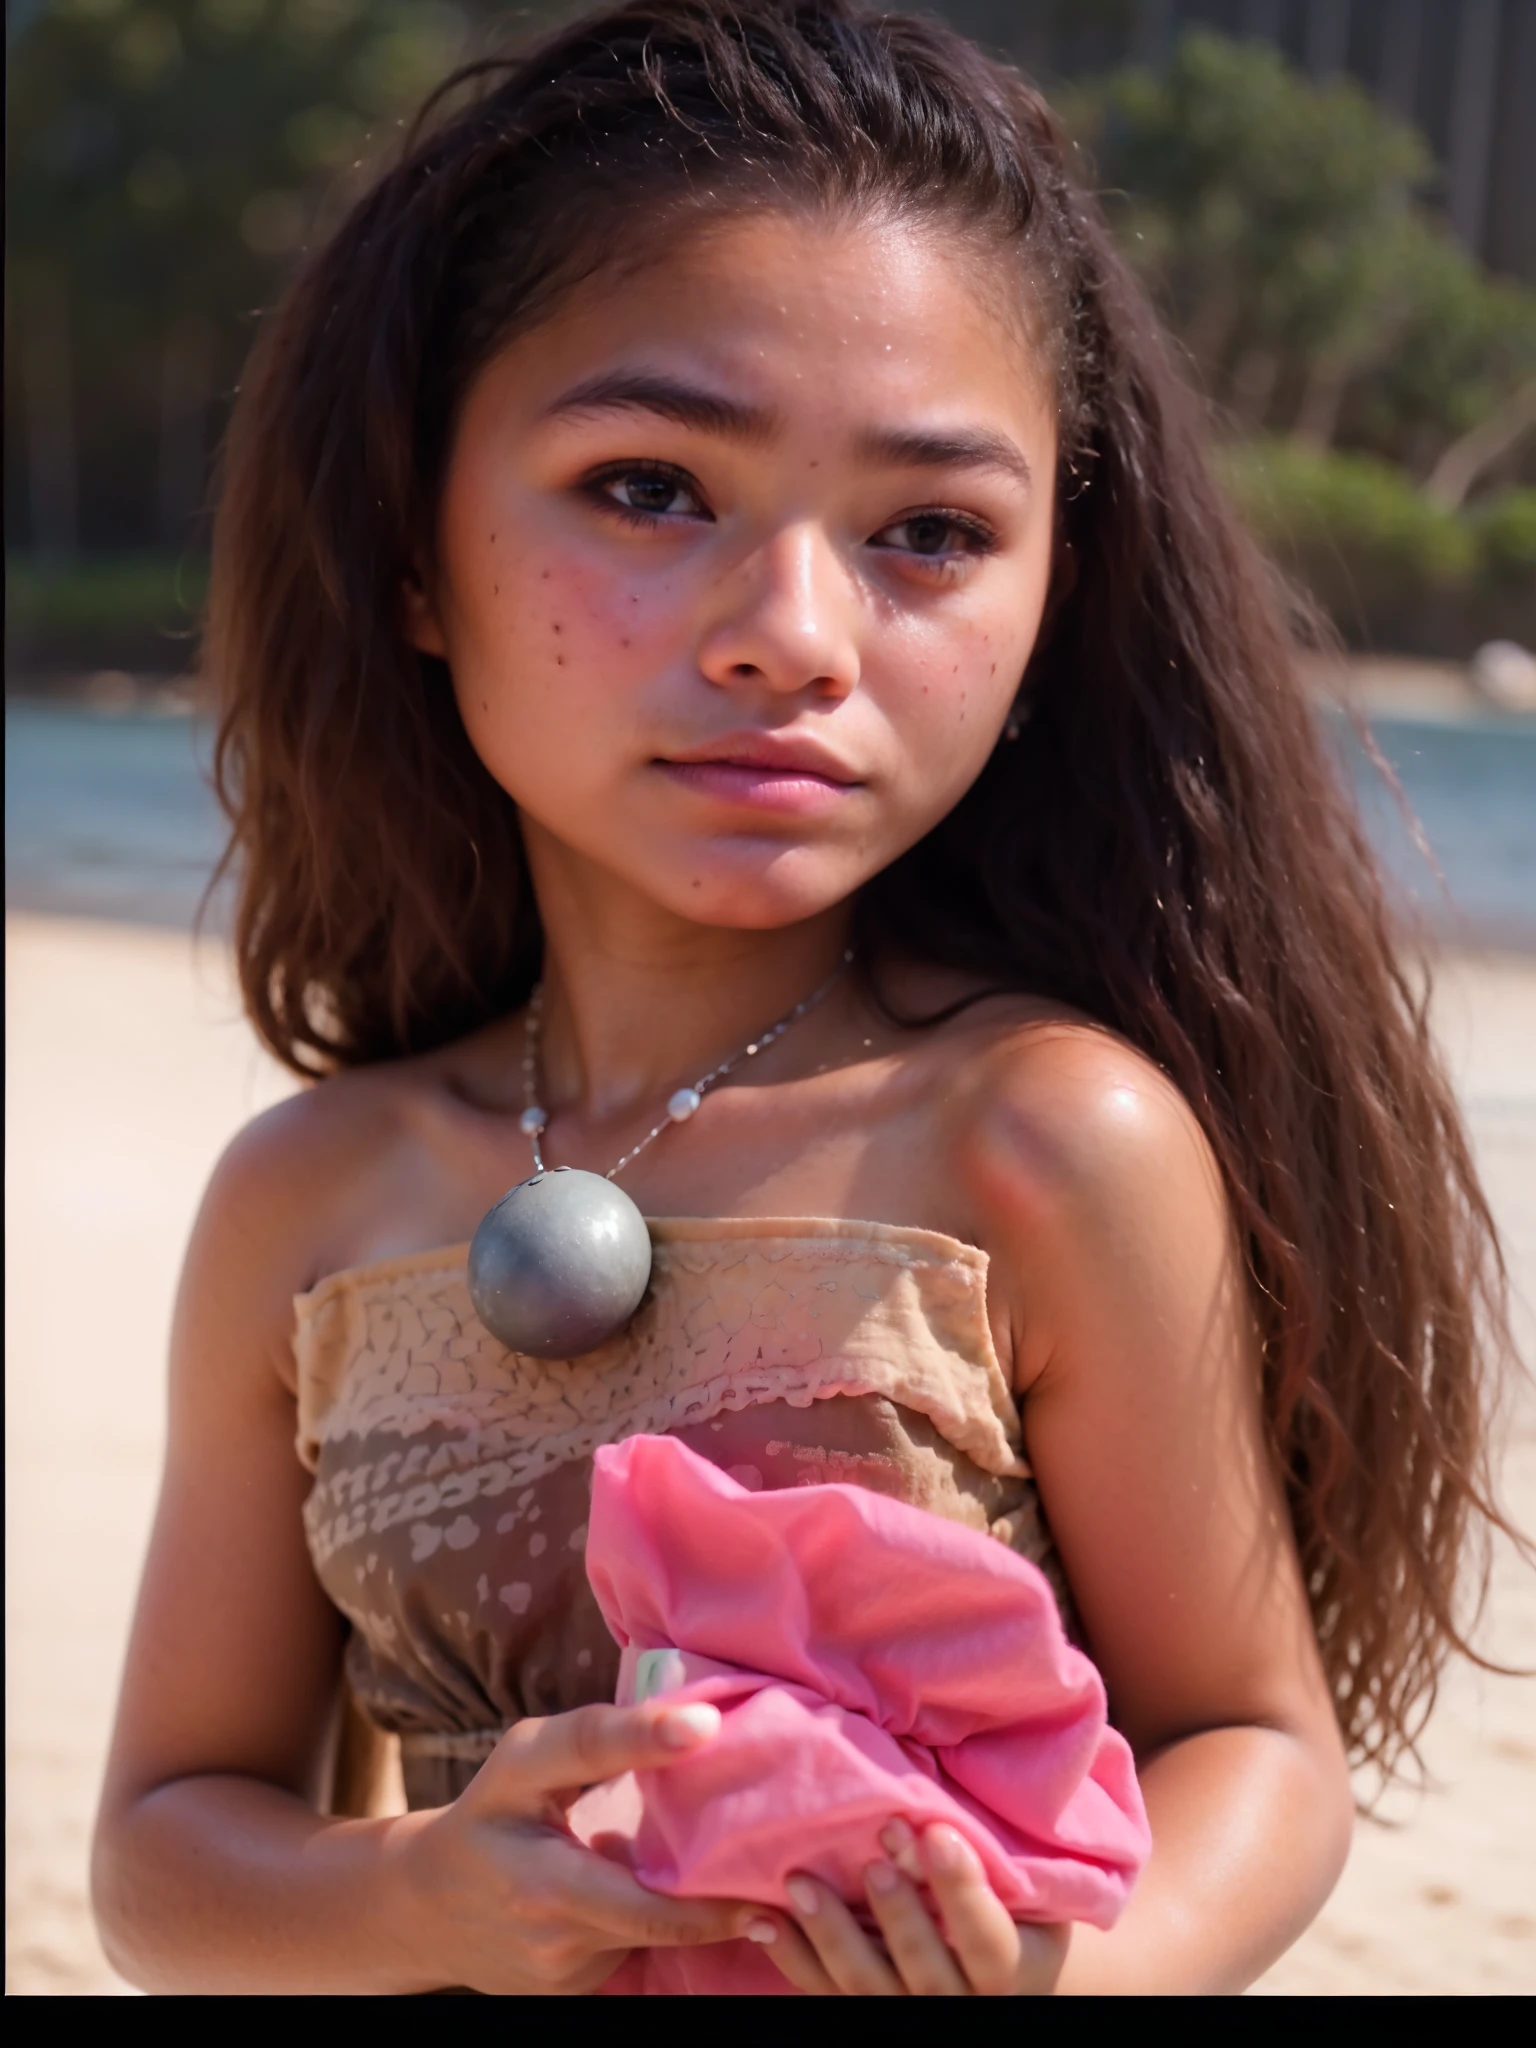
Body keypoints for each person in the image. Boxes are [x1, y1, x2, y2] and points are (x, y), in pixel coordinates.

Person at [91, 0, 1516, 1996]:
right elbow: (169, 1852)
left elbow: (1249, 1748)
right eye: (651, 487)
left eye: (928, 532)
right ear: (416, 545)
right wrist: (427, 1895)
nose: (793, 636)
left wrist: (1048, 1980)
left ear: (1051, 598)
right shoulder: (311, 1195)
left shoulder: (1039, 1136)